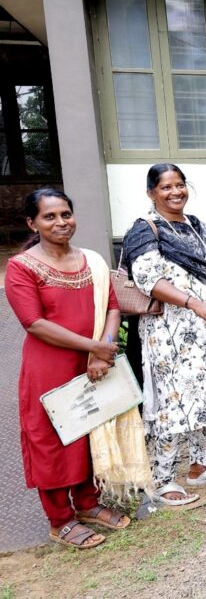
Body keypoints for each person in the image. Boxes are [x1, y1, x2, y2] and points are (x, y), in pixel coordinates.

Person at [6, 189, 129, 548]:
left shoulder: (91, 260)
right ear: (32, 223)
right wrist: (95, 347)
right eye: (50, 217)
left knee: (90, 431)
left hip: (93, 361)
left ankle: (88, 504)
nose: (61, 223)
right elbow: (34, 323)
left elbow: (112, 306)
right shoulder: (22, 267)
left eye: (65, 215)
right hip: (50, 366)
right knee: (53, 440)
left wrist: (102, 353)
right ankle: (60, 520)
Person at [123, 163, 206, 504]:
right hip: (170, 333)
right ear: (151, 193)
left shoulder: (198, 226)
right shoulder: (145, 230)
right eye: (166, 187)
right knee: (172, 402)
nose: (176, 192)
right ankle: (162, 479)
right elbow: (149, 279)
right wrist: (193, 303)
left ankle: (200, 466)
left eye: (180, 185)